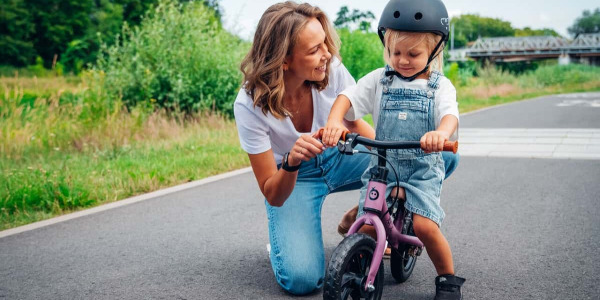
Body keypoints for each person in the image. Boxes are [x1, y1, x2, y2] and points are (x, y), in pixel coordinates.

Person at [321, 0, 466, 299]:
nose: (402, 60)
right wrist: (336, 121)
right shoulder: (379, 80)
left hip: (421, 167)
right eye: (394, 52)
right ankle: (356, 266)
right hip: (383, 167)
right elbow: (348, 96)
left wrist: (440, 133)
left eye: (413, 53)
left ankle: (448, 279)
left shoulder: (439, 87)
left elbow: (449, 114)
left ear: (435, 50)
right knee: (367, 227)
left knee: (425, 226)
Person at [233, 2, 375, 295]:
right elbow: (272, 193)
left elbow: (356, 126)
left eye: (324, 43)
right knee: (302, 280)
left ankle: (365, 214)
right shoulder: (249, 105)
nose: (327, 55)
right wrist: (292, 162)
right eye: (314, 50)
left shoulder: (330, 69)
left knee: (429, 160)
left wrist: (394, 160)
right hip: (294, 178)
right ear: (283, 60)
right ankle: (282, 248)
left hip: (339, 157)